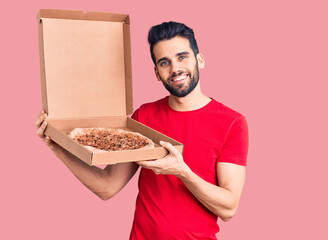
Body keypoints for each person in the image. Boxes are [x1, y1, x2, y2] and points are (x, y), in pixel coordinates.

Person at [36, 21, 248, 240]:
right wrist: (60, 149)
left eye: (182, 57)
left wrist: (181, 171)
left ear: (199, 60)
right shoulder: (144, 117)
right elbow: (107, 186)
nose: (175, 69)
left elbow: (228, 209)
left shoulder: (232, 122)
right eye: (165, 63)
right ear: (157, 73)